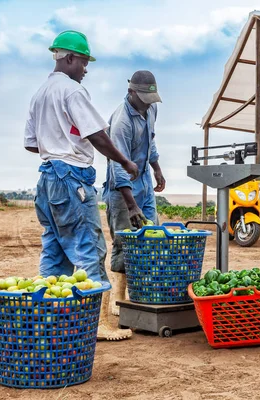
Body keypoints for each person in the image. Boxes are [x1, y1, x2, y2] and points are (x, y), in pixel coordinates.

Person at [24, 30, 136, 341]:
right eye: (84, 62)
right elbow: (98, 135)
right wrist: (125, 163)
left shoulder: (40, 94)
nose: (86, 69)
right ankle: (95, 323)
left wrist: (58, 140)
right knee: (90, 247)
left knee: (55, 249)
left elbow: (32, 144)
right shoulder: (72, 92)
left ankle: (47, 315)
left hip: (46, 177)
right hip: (72, 177)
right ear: (70, 58)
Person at [103, 70, 166, 315]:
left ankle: (143, 294)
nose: (148, 105)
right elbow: (117, 164)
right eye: (144, 99)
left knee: (153, 237)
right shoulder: (121, 121)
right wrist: (131, 206)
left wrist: (157, 169)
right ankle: (118, 302)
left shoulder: (151, 109)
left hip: (145, 185)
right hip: (122, 192)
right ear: (131, 92)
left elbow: (151, 141)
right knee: (124, 242)